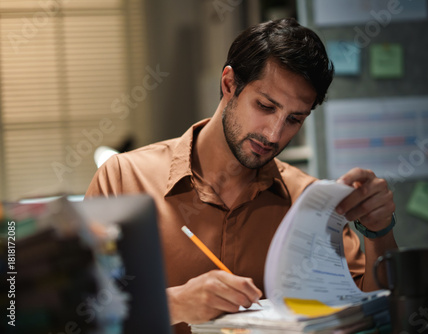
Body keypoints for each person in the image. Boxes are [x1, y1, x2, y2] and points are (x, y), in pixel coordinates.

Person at [85, 18, 397, 334]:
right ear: (229, 84)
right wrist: (173, 304)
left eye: (294, 119)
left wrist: (379, 230)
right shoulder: (124, 180)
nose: (274, 134)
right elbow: (79, 314)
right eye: (265, 106)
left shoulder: (309, 201)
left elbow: (375, 310)